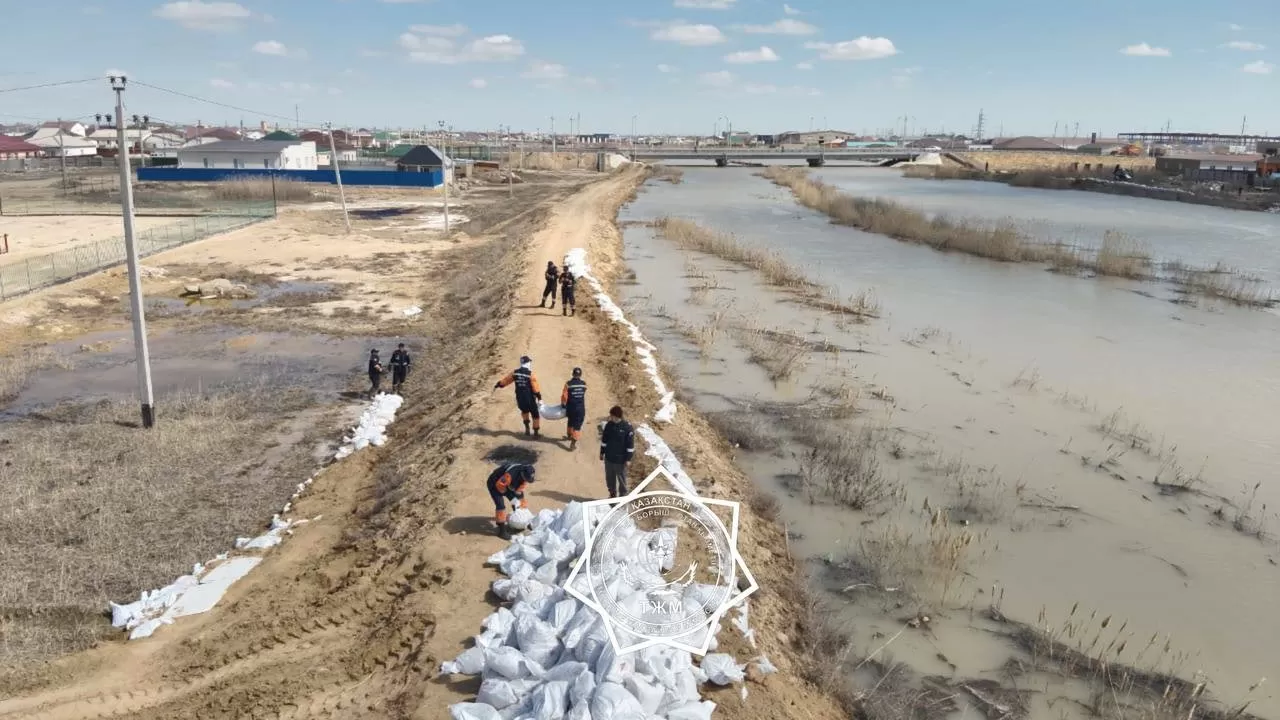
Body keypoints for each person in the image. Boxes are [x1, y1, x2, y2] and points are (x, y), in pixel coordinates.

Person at [494, 355, 542, 436]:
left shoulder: (515, 372)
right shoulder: (530, 374)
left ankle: (527, 428)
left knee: (524, 412)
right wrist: (539, 397)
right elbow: (535, 388)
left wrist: (499, 384)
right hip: (529, 399)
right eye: (529, 362)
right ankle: (536, 433)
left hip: (520, 398)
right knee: (535, 415)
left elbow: (506, 380)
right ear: (528, 363)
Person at [487, 462, 536, 539]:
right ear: (522, 474)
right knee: (500, 505)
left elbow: (519, 493)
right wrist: (509, 493)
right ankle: (502, 531)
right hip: (494, 484)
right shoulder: (510, 474)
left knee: (517, 502)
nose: (526, 481)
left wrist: (524, 515)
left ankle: (521, 520)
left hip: (507, 485)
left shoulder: (524, 475)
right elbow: (500, 486)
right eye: (526, 479)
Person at [599, 405, 635, 498]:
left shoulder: (627, 428)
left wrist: (628, 459)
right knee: (609, 479)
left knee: (622, 480)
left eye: (612, 416)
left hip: (620, 461)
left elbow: (630, 446)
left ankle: (623, 497)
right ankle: (612, 495)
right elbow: (604, 440)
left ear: (616, 416)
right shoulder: (609, 425)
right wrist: (602, 452)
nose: (610, 418)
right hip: (609, 458)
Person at [561, 367, 587, 450]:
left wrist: (563, 405)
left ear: (572, 374)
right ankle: (573, 443)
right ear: (580, 375)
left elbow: (564, 396)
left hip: (571, 407)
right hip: (580, 408)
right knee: (577, 425)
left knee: (571, 421)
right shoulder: (584, 384)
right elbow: (584, 391)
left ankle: (569, 435)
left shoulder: (568, 384)